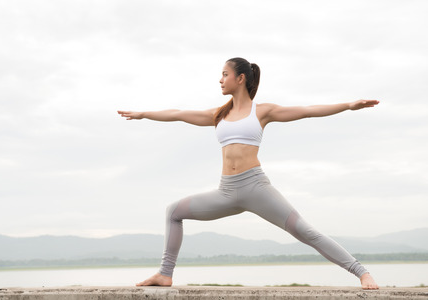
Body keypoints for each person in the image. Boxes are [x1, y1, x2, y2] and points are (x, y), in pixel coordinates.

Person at [117, 57, 379, 290]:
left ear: (240, 78)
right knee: (174, 212)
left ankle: (361, 272)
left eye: (224, 74)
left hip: (256, 188)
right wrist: (143, 114)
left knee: (304, 231)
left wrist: (348, 105)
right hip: (226, 191)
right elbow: (178, 114)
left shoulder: (262, 111)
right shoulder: (219, 114)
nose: (220, 80)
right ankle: (165, 274)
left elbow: (308, 111)